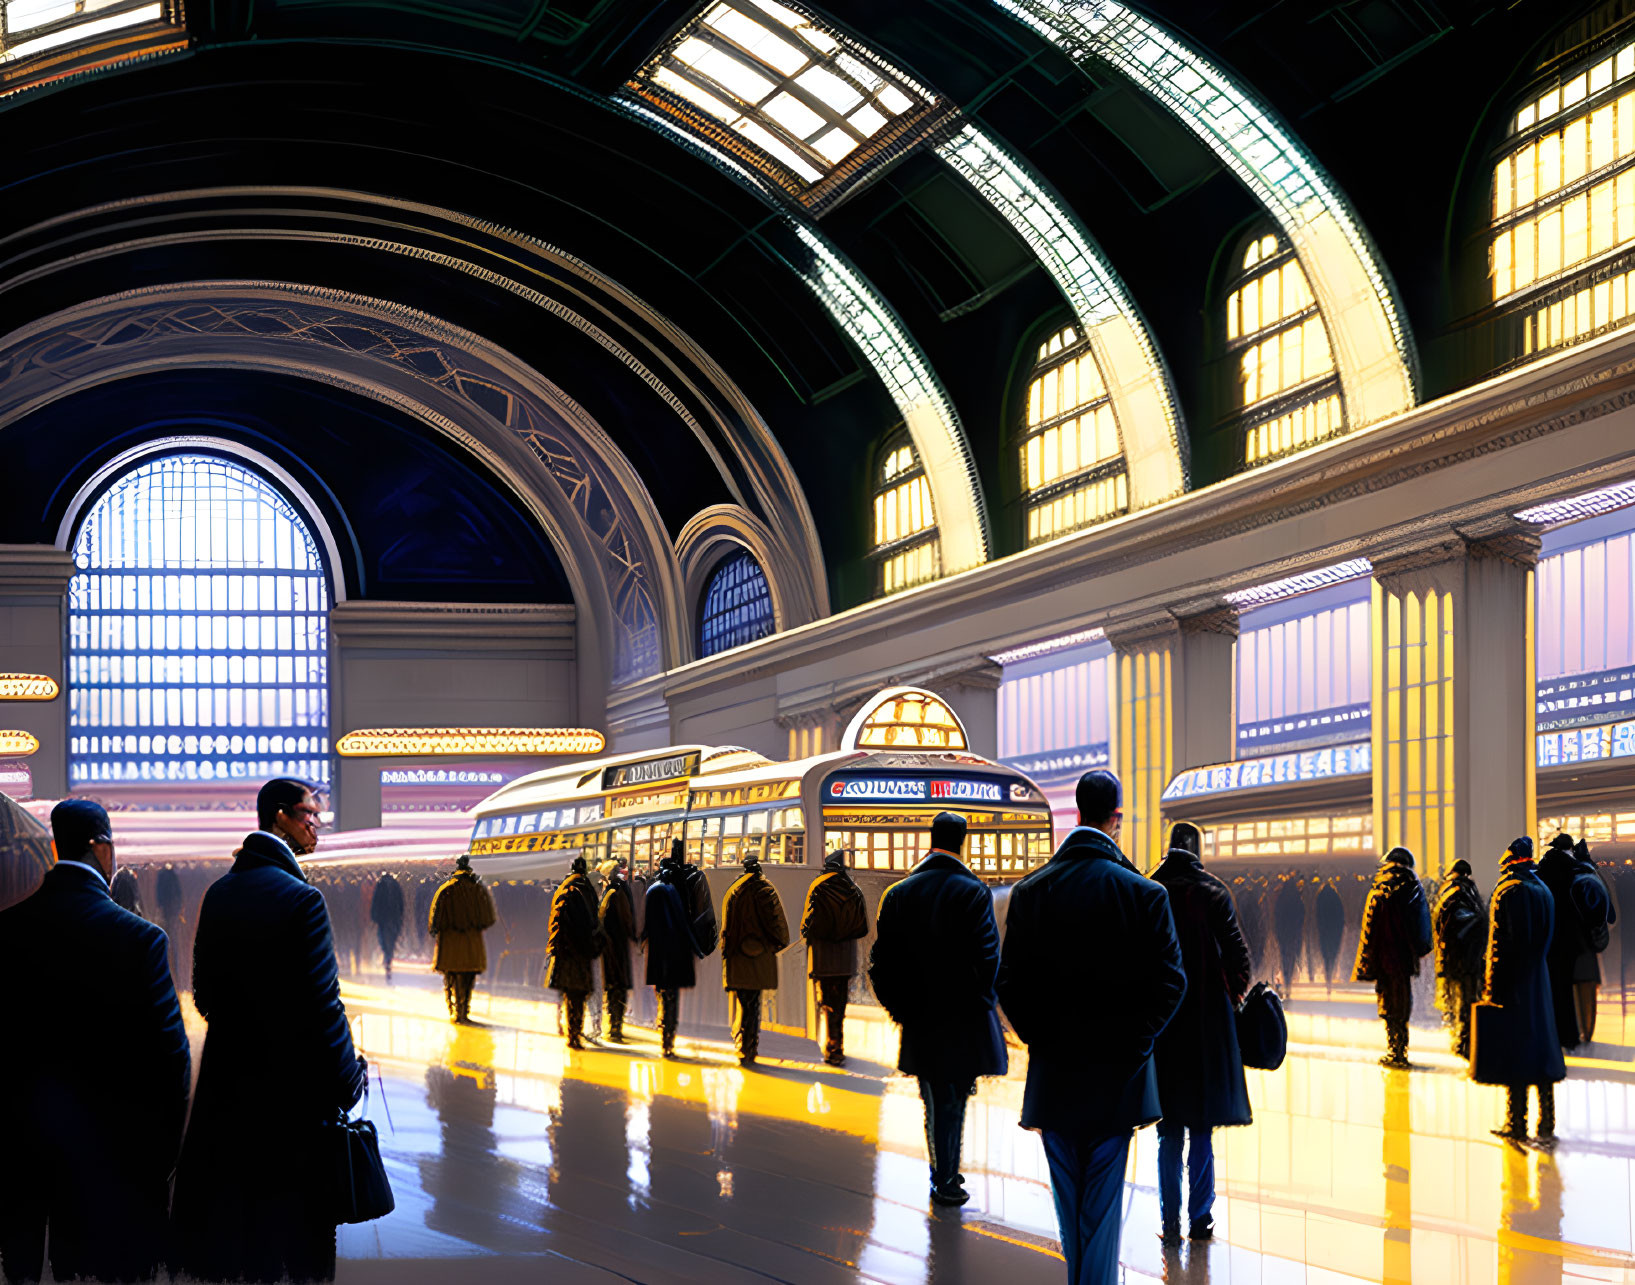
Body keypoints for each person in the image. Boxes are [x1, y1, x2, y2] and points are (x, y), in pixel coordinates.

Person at [171, 779, 370, 1284]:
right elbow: (324, 1006)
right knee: (300, 1238)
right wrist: (348, 1077)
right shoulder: (302, 898)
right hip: (292, 1100)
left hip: (228, 1090)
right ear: (279, 816)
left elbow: (206, 995)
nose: (316, 823)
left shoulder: (219, 893)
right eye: (308, 814)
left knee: (241, 1234)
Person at [997, 771, 1185, 1283]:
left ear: (1076, 814)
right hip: (1117, 1078)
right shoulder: (1145, 895)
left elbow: (1007, 982)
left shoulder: (1033, 892)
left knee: (1069, 1204)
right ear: (1116, 820)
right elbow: (1172, 984)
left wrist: (1041, 1036)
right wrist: (1136, 1043)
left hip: (1055, 1074)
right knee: (1101, 1209)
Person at [0, 799, 189, 1285]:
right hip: (109, 1150)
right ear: (102, 850)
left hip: (18, 1142)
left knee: (18, 1266)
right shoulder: (141, 940)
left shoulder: (7, 931)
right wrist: (162, 1156)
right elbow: (171, 1059)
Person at [871, 811, 1007, 1207]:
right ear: (962, 842)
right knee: (956, 1100)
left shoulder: (898, 893)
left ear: (931, 839)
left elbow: (882, 965)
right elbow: (988, 962)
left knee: (931, 1097)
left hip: (920, 1020)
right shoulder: (972, 891)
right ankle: (947, 1176)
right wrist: (980, 1007)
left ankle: (941, 1173)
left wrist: (901, 1011)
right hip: (964, 1020)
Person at [1150, 822, 1250, 1245]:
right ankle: (1200, 1217)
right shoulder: (1214, 893)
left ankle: (1169, 1221)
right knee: (1202, 1128)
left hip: (1162, 1026)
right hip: (1207, 1028)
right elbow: (1239, 958)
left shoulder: (1148, 890)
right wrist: (1231, 994)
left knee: (1168, 1129)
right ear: (1198, 850)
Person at [1473, 837, 1567, 1143]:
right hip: (1539, 979)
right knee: (1541, 1050)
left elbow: (1499, 945)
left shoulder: (1508, 891)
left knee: (1516, 1053)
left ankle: (1516, 1122)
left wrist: (1492, 987)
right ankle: (1547, 1122)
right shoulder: (1544, 891)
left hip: (1513, 983)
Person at [1352, 846, 1433, 1068]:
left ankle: (1392, 1048)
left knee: (1386, 1002)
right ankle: (1402, 1050)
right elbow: (1422, 924)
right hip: (1404, 958)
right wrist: (1422, 948)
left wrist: (1365, 962)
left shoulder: (1377, 890)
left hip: (1382, 958)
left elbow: (1368, 931)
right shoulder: (1414, 889)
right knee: (1402, 1002)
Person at [1537, 833, 1614, 1047]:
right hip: (1576, 942)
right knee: (1579, 991)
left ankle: (1555, 1035)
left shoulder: (1541, 872)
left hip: (1549, 940)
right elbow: (1600, 913)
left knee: (1554, 990)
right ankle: (1575, 1036)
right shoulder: (1579, 872)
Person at [721, 853, 790, 1066]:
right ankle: (751, 1046)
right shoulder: (767, 890)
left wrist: (727, 952)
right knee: (755, 1004)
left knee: (743, 1002)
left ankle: (742, 1044)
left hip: (739, 956)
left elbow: (727, 927)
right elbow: (778, 924)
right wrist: (777, 945)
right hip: (760, 956)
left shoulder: (735, 891)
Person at [801, 849, 869, 1065]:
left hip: (823, 956)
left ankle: (831, 1047)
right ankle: (837, 1045)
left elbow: (807, 924)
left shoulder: (817, 887)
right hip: (845, 958)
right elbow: (863, 927)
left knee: (826, 1000)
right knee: (840, 1003)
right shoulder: (853, 889)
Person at [644, 845, 707, 1057]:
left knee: (663, 994)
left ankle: (664, 1032)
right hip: (675, 954)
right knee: (672, 998)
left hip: (658, 954)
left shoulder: (652, 891)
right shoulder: (673, 892)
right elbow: (684, 924)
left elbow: (646, 926)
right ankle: (668, 1038)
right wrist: (697, 949)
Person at [429, 854, 498, 1023]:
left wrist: (438, 931)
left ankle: (453, 1008)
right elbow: (489, 918)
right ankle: (464, 1010)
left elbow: (434, 921)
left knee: (451, 977)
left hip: (449, 943)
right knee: (468, 978)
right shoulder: (479, 890)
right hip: (471, 942)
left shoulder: (445, 890)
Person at [545, 856, 605, 1050]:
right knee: (578, 995)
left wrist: (554, 946)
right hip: (584, 951)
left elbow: (556, 921)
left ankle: (568, 1031)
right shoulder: (587, 890)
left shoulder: (564, 889)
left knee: (568, 994)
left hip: (566, 952)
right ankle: (575, 1033)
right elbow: (595, 922)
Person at [1433, 859, 1487, 1059]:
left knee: (1457, 1001)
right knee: (1469, 999)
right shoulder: (1475, 895)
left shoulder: (1450, 894)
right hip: (1473, 959)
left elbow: (1441, 928)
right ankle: (1469, 1039)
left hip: (1455, 958)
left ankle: (1462, 1042)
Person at [599, 862, 637, 1042]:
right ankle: (616, 1025)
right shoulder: (622, 890)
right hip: (618, 946)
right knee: (617, 985)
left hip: (613, 947)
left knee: (615, 985)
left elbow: (611, 919)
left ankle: (615, 1026)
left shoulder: (613, 892)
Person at [370, 872, 405, 980]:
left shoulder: (380, 886)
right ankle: (388, 959)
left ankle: (387, 959)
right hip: (393, 919)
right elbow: (401, 903)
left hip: (383, 920)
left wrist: (375, 917)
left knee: (384, 941)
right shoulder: (396, 885)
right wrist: (399, 917)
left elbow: (375, 903)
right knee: (391, 941)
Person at [1273, 873, 1306, 990]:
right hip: (1293, 933)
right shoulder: (1297, 900)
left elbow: (1276, 916)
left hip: (1283, 932)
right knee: (1291, 956)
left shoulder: (1281, 900)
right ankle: (1288, 981)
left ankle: (1286, 978)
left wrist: (1277, 931)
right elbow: (1301, 917)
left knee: (1283, 955)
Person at [1316, 877, 1344, 989]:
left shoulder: (1320, 897)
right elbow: (1341, 915)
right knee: (1332, 952)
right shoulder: (1336, 898)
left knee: (1325, 953)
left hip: (1324, 929)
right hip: (1333, 929)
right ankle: (1330, 974)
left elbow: (1317, 914)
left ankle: (1328, 974)